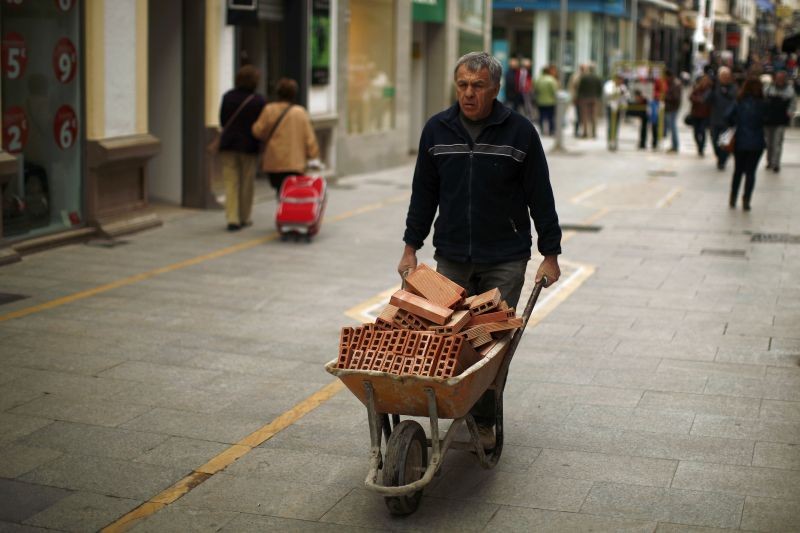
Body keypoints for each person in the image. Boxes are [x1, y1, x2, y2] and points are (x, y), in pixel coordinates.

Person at [397, 52, 562, 450]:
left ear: (495, 89)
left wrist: (551, 253)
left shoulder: (520, 133)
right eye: (462, 85)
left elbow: (541, 195)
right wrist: (410, 247)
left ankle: (485, 419)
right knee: (450, 339)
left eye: (477, 86)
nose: (468, 94)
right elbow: (424, 194)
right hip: (451, 255)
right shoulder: (437, 129)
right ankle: (456, 404)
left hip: (505, 257)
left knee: (489, 345)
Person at [217, 65, 266, 231]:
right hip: (249, 146)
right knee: (247, 183)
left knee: (230, 182)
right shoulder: (259, 101)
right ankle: (245, 217)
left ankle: (232, 218)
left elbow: (223, 121)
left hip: (228, 145)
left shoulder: (227, 97)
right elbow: (261, 126)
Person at [252, 78, 320, 198]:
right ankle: (290, 212)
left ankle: (283, 209)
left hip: (274, 161)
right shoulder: (300, 112)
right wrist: (313, 156)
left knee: (280, 190)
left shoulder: (269, 109)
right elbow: (310, 138)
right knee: (292, 191)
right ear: (294, 94)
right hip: (295, 163)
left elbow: (257, 131)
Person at [728, 76, 766, 211]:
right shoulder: (763, 103)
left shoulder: (739, 101)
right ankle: (746, 199)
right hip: (757, 143)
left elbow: (728, 116)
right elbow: (767, 120)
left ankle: (733, 198)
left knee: (738, 171)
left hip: (740, 141)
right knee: (751, 173)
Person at [764, 70, 796, 172]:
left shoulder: (790, 90)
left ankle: (776, 163)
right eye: (778, 78)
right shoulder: (768, 88)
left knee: (777, 142)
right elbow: (762, 101)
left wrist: (790, 112)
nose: (780, 80)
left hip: (781, 121)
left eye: (782, 78)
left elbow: (793, 103)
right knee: (769, 143)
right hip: (768, 120)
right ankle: (769, 161)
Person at [707, 66, 738, 170]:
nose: (724, 78)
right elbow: (706, 100)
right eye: (722, 76)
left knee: (724, 143)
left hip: (727, 122)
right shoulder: (715, 88)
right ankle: (719, 155)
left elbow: (735, 99)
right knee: (715, 142)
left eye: (726, 76)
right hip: (715, 120)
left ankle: (722, 161)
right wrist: (711, 89)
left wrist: (726, 92)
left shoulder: (733, 87)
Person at [602, 73, 629, 151]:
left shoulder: (623, 86)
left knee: (616, 125)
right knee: (611, 124)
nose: (620, 81)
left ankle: (614, 140)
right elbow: (608, 94)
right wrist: (618, 92)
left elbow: (627, 95)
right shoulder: (609, 85)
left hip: (619, 108)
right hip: (611, 107)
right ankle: (610, 140)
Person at [688, 74, 712, 156]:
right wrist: (698, 100)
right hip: (695, 114)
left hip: (705, 115)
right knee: (696, 133)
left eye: (705, 80)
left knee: (702, 131)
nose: (704, 82)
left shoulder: (710, 90)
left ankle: (701, 148)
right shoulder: (697, 88)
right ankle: (699, 146)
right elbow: (690, 97)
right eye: (703, 80)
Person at [576, 64, 603, 138]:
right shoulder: (597, 78)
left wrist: (578, 97)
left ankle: (585, 132)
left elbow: (580, 89)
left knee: (584, 116)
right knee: (594, 116)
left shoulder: (584, 78)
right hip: (594, 98)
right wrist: (598, 97)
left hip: (584, 98)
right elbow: (600, 89)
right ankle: (594, 133)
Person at [534, 65, 559, 135]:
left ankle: (542, 130)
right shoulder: (551, 80)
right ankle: (551, 131)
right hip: (550, 102)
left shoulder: (538, 79)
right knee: (550, 117)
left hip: (540, 101)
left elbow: (535, 90)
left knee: (541, 116)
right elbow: (554, 91)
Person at [662, 69, 682, 153]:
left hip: (672, 108)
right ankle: (674, 145)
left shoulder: (675, 84)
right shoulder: (673, 83)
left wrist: (665, 97)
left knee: (673, 127)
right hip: (671, 108)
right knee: (671, 127)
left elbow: (675, 97)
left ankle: (675, 145)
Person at [568, 64, 586, 137]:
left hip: (583, 99)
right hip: (578, 99)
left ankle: (583, 131)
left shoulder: (585, 76)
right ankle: (576, 131)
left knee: (582, 116)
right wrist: (573, 98)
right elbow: (572, 87)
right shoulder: (576, 76)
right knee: (577, 116)